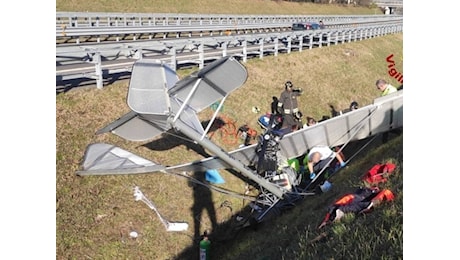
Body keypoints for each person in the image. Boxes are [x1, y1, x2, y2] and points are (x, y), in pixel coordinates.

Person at [318, 187, 395, 229]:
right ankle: (371, 204)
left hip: (359, 200)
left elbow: (344, 201)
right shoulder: (340, 206)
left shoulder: (340, 206)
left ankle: (371, 204)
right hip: (358, 199)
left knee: (353, 204)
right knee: (354, 204)